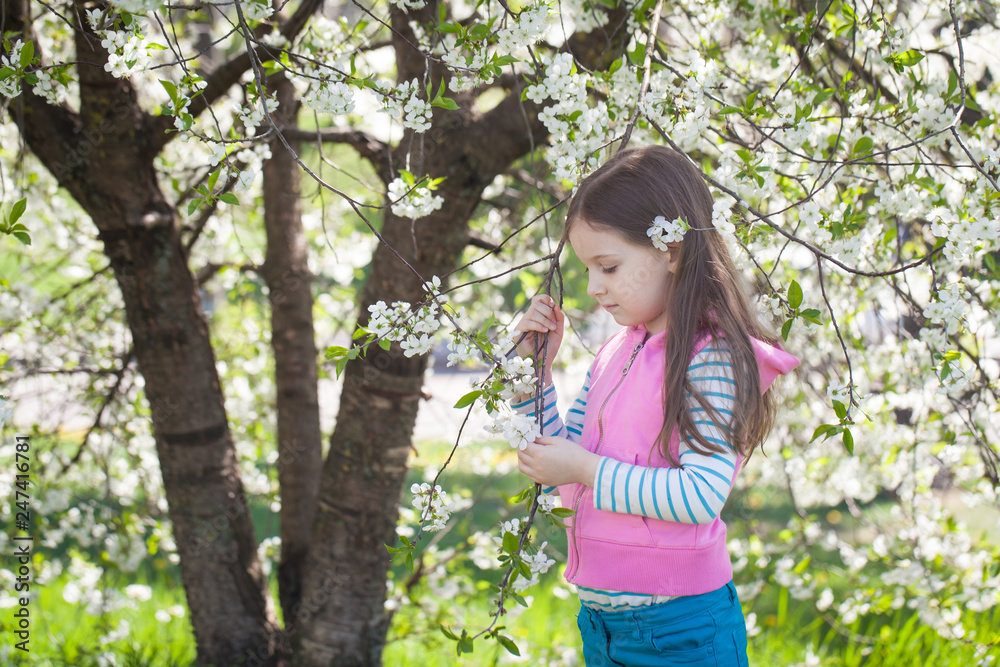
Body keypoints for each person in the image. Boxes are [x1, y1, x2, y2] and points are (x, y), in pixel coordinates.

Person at [510, 145, 800, 666]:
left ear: (672, 250)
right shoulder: (616, 351)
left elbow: (700, 495)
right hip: (603, 628)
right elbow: (563, 468)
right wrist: (534, 378)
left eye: (609, 266)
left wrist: (583, 467)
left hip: (678, 631)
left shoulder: (708, 358)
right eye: (587, 270)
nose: (595, 288)